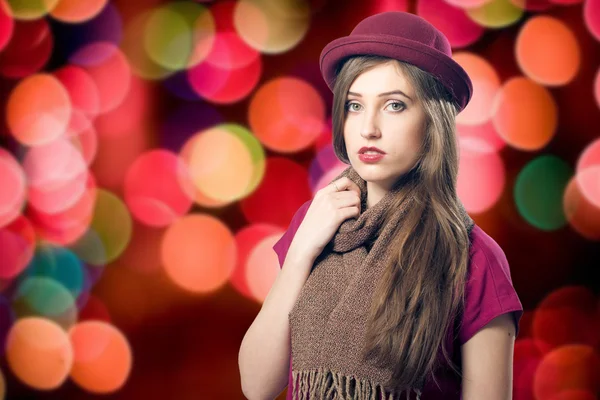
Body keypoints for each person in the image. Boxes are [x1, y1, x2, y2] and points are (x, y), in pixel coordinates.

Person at [239, 11, 523, 400]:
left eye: (394, 105)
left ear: (433, 121)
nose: (368, 128)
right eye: (355, 105)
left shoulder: (474, 258)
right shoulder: (315, 223)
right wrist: (302, 251)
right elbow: (257, 387)